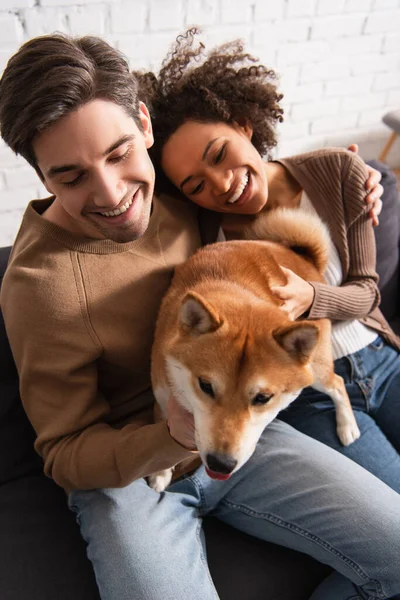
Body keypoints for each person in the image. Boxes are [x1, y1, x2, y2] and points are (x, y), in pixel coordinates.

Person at [0, 32, 399, 600]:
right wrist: (171, 437)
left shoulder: (179, 196)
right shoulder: (40, 289)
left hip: (244, 429)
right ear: (40, 174)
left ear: (144, 125)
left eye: (119, 154)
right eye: (70, 176)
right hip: (129, 476)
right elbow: (64, 453)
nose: (113, 195)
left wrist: (351, 187)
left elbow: (254, 182)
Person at [136, 28, 400, 494]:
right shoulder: (208, 234)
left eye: (219, 154)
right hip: (291, 390)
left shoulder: (341, 171)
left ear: (243, 123)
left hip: (379, 356)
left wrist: (310, 296)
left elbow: (367, 292)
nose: (221, 184)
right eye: (196, 185)